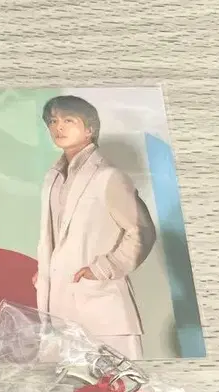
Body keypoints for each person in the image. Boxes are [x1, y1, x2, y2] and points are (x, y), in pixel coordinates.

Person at [34, 96, 157, 359]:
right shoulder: (52, 178)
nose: (58, 127)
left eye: (69, 120)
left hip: (101, 307)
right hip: (58, 306)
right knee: (63, 381)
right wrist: (45, 273)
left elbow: (142, 231)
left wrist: (103, 268)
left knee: (116, 381)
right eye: (53, 121)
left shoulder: (109, 176)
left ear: (90, 129)